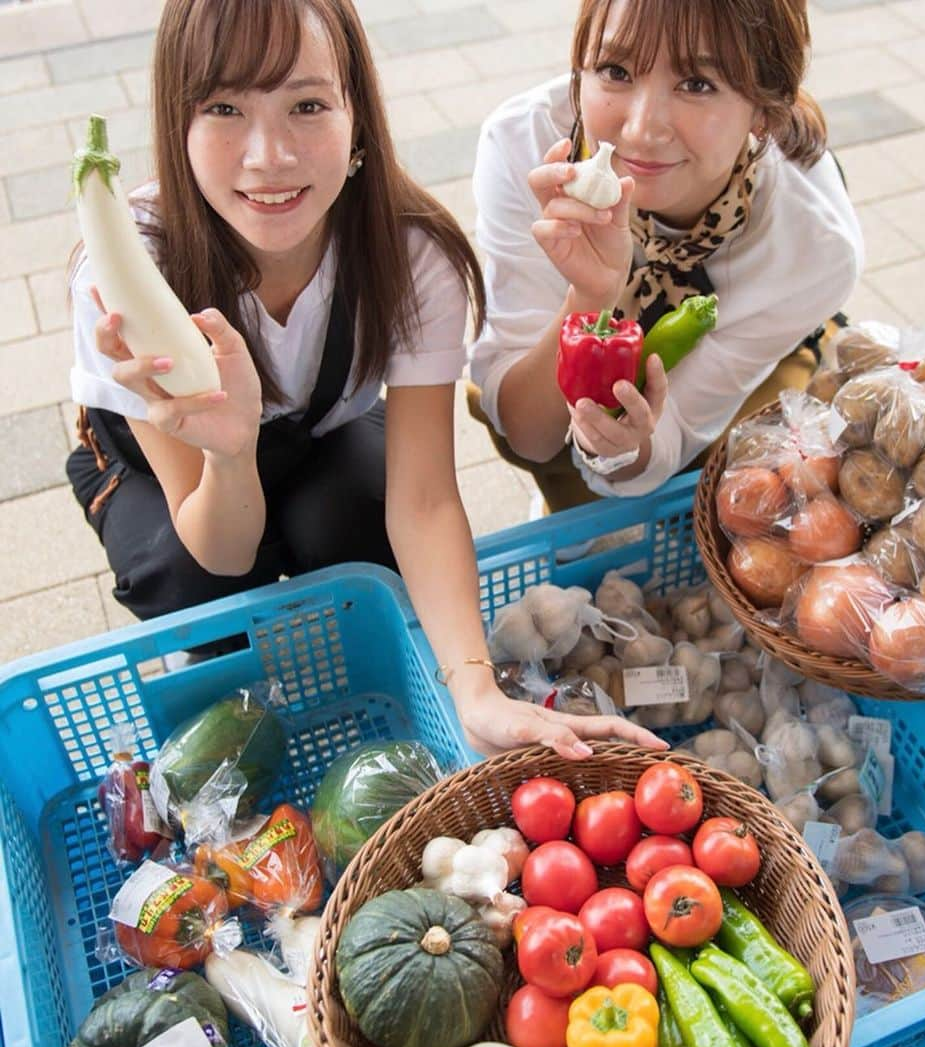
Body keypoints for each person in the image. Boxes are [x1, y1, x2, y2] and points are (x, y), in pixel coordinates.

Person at [65, 0, 664, 761]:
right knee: (196, 582)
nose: (268, 155)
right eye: (223, 107)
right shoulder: (130, 270)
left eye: (307, 105)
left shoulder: (412, 255)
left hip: (319, 433)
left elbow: (426, 498)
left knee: (361, 522)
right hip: (170, 472)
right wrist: (227, 453)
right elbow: (220, 547)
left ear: (358, 122)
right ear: (175, 126)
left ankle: (368, 663)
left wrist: (474, 686)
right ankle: (211, 664)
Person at [468, 0, 864, 511]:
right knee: (505, 400)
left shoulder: (812, 245)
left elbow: (675, 433)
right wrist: (589, 295)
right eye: (615, 71)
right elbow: (528, 434)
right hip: (574, 385)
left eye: (697, 83)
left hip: (749, 368)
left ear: (765, 110)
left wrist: (625, 449)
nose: (641, 129)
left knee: (745, 465)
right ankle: (575, 513)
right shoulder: (524, 146)